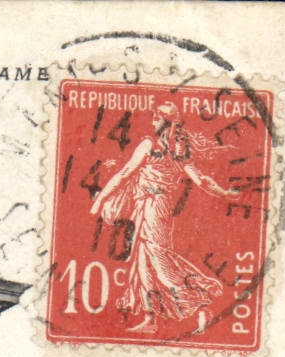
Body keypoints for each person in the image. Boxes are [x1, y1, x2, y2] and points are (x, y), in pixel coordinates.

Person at [89, 101, 243, 334]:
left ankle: (202, 305)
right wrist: (224, 193)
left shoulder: (154, 146)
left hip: (155, 207)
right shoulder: (176, 151)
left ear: (167, 122)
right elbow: (200, 180)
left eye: (157, 116)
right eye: (153, 115)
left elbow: (124, 174)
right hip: (148, 207)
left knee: (160, 262)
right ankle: (151, 319)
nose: (153, 120)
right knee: (143, 263)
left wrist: (100, 200)